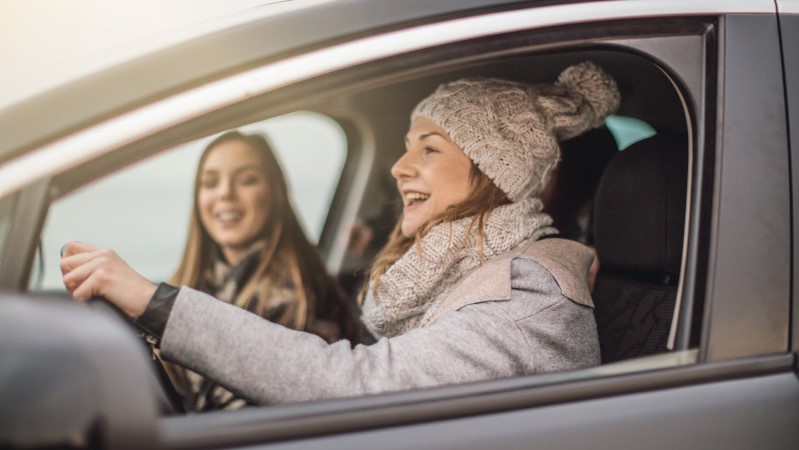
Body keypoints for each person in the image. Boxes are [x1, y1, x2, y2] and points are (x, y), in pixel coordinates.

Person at [61, 61, 620, 404]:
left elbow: (360, 386)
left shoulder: (527, 298)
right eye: (405, 149)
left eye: (429, 150)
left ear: (494, 172)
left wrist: (154, 302)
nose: (400, 168)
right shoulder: (472, 274)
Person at [166, 130, 361, 411]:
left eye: (247, 180)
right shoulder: (193, 284)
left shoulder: (299, 299)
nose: (225, 193)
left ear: (275, 192)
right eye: (210, 182)